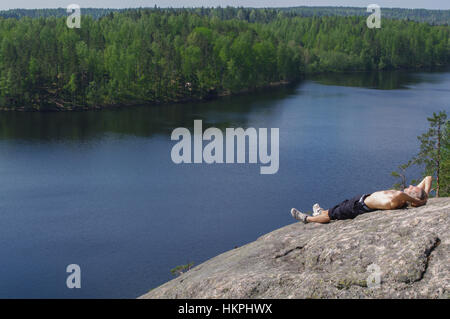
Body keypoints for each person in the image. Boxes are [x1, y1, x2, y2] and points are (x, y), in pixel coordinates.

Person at [291, 176, 432, 224]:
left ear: (412, 197)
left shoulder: (399, 198)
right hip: (361, 199)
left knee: (331, 216)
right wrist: (423, 196)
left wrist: (420, 201)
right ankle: (320, 212)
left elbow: (412, 197)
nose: (412, 185)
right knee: (334, 208)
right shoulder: (405, 198)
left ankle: (307, 219)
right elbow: (428, 178)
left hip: (359, 207)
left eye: (413, 188)